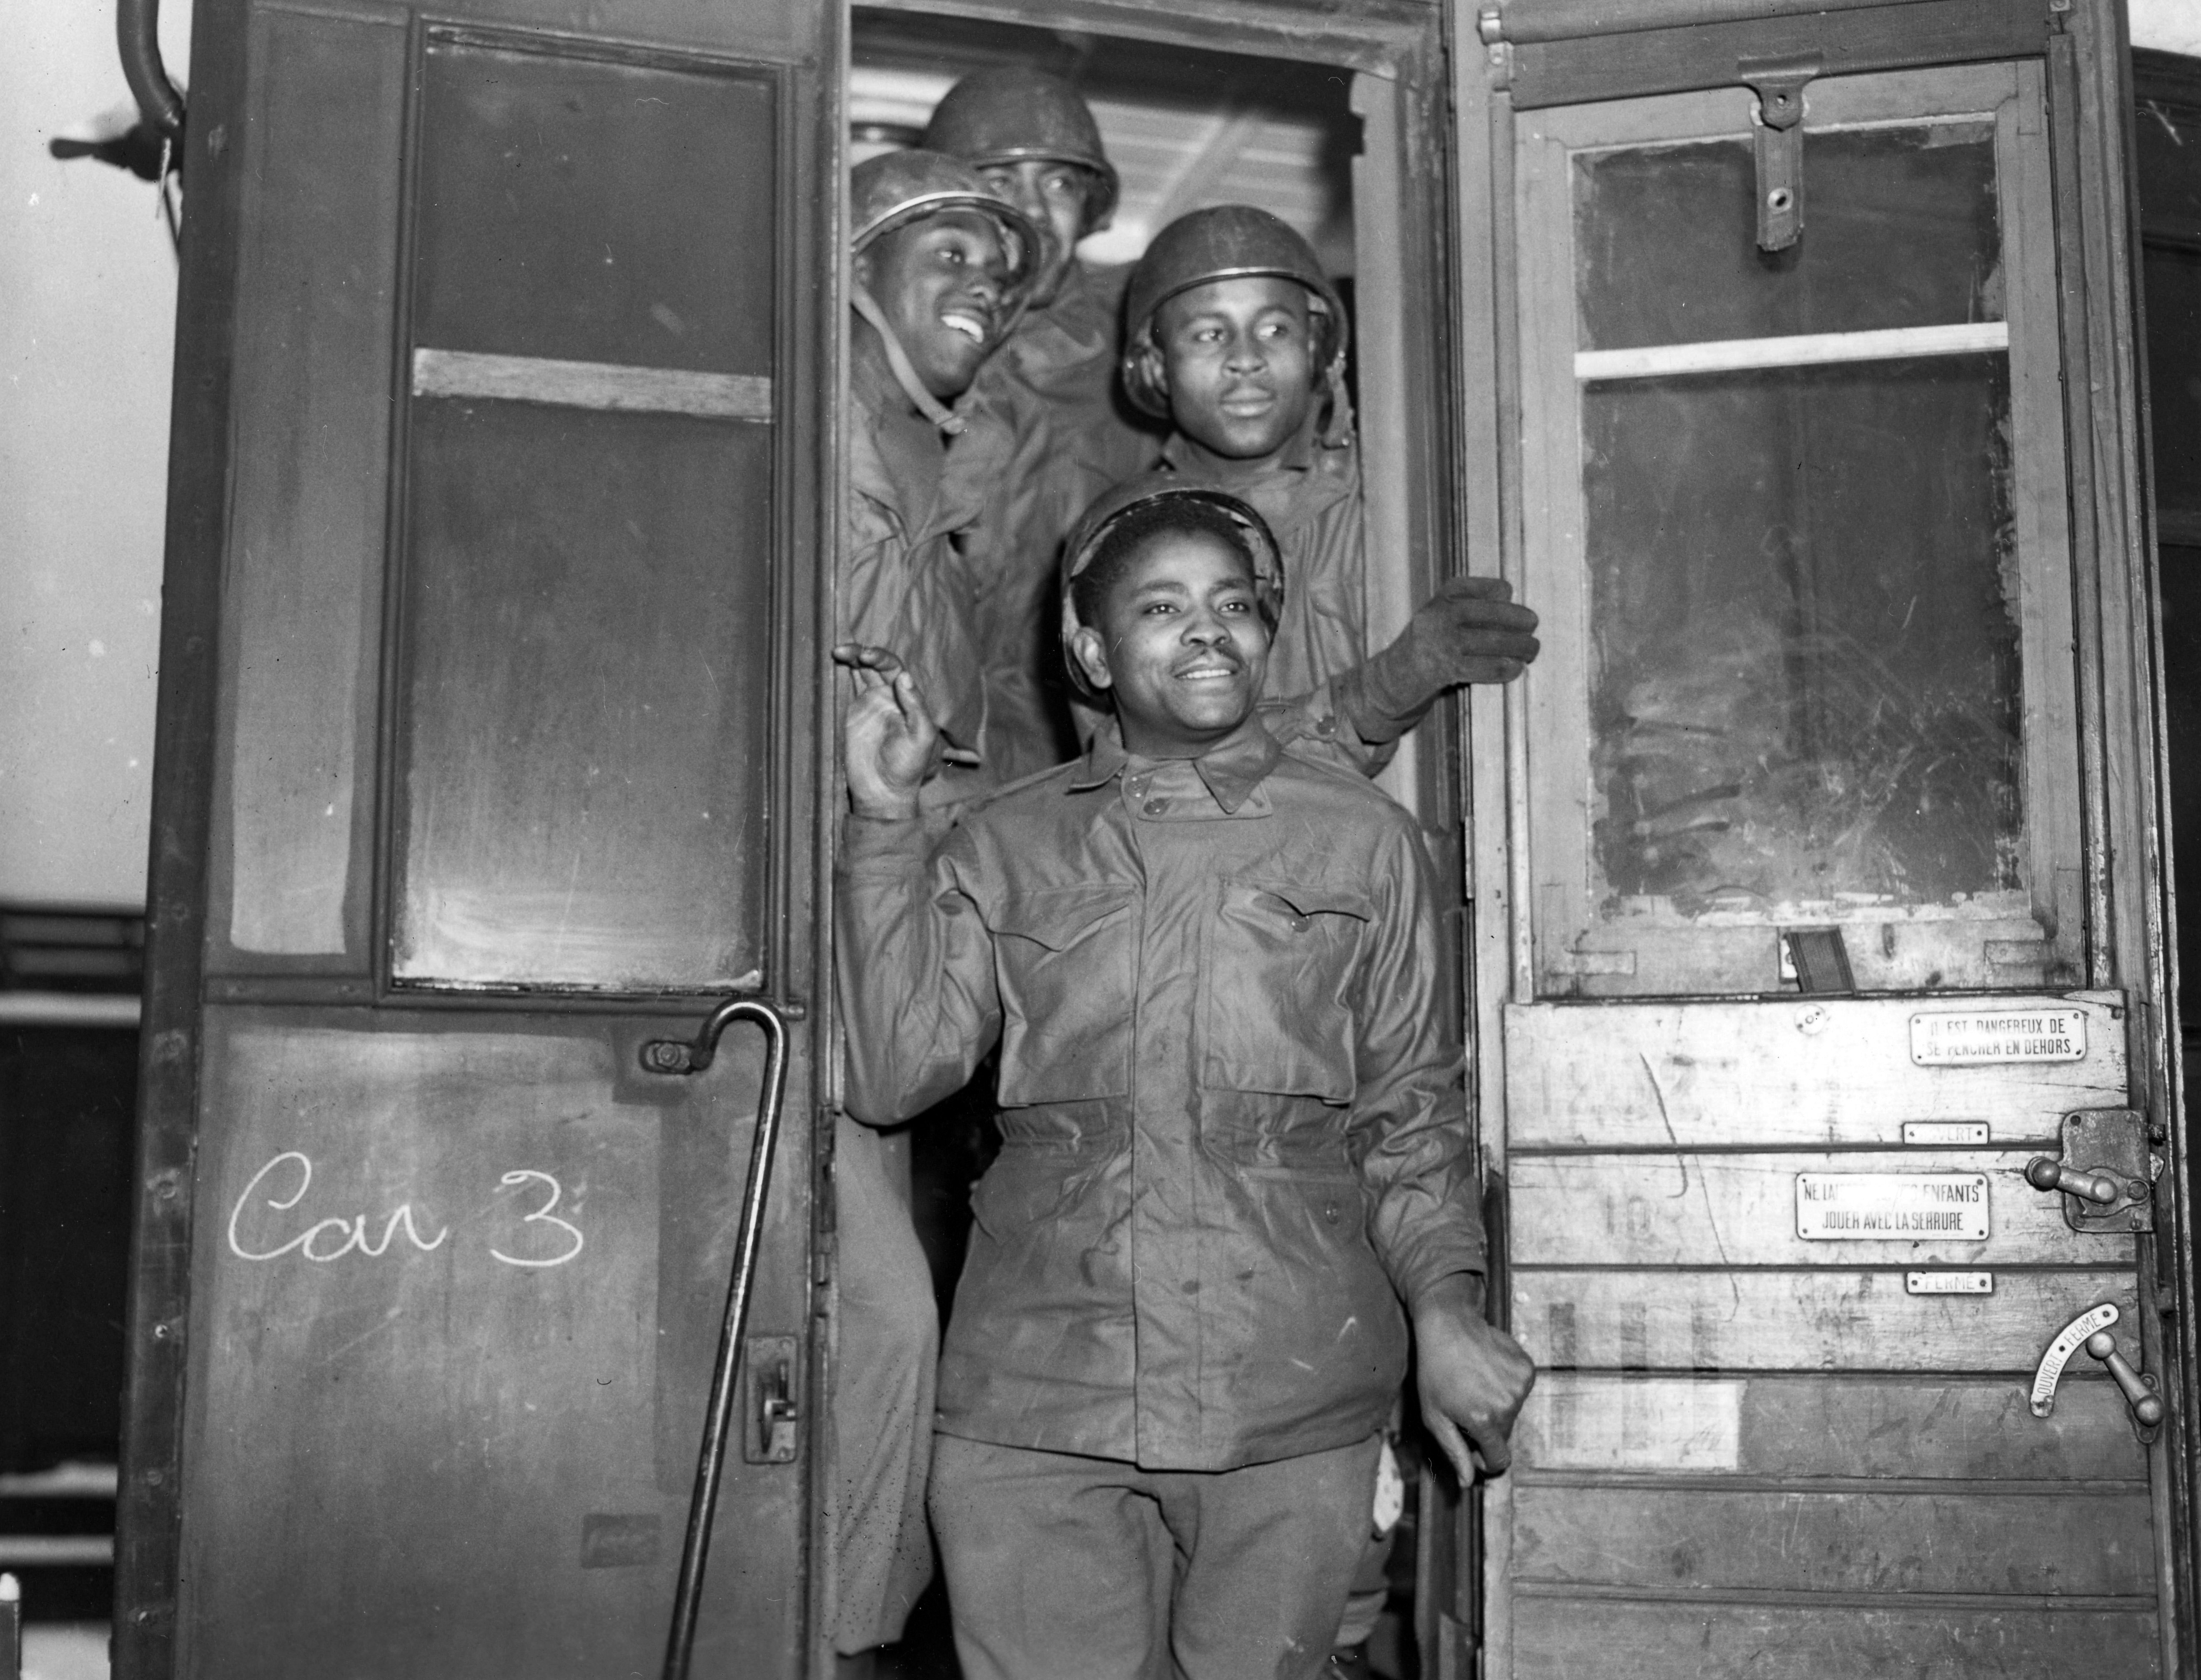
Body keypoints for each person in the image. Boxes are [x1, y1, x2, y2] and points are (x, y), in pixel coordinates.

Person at [833, 484, 1537, 1680]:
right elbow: (897, 1070)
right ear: (1093, 653)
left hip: (1286, 1395)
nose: (1209, 630)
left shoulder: (1362, 841)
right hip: (1038, 1398)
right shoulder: (1003, 842)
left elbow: (1410, 1112)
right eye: (1162, 608)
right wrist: (888, 819)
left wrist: (1445, 1310)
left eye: (1236, 605)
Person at [832, 148, 1039, 1676]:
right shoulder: (834, 439)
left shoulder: (921, 462)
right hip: (808, 963)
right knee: (883, 1332)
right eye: (946, 250)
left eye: (999, 264)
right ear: (855, 266)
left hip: (876, 953)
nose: (982, 283)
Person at [1117, 205, 1540, 774]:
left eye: (1275, 330)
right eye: (1209, 334)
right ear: (1157, 367)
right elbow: (1145, 770)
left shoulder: (1411, 492)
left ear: (1317, 350)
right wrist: (1386, 688)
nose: (1246, 360)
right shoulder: (1120, 542)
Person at [923, 67, 1166, 780]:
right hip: (923, 738)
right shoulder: (903, 337)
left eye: (1059, 184)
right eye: (1002, 183)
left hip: (1082, 753)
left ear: (1091, 208)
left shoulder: (1144, 333)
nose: (1032, 211)